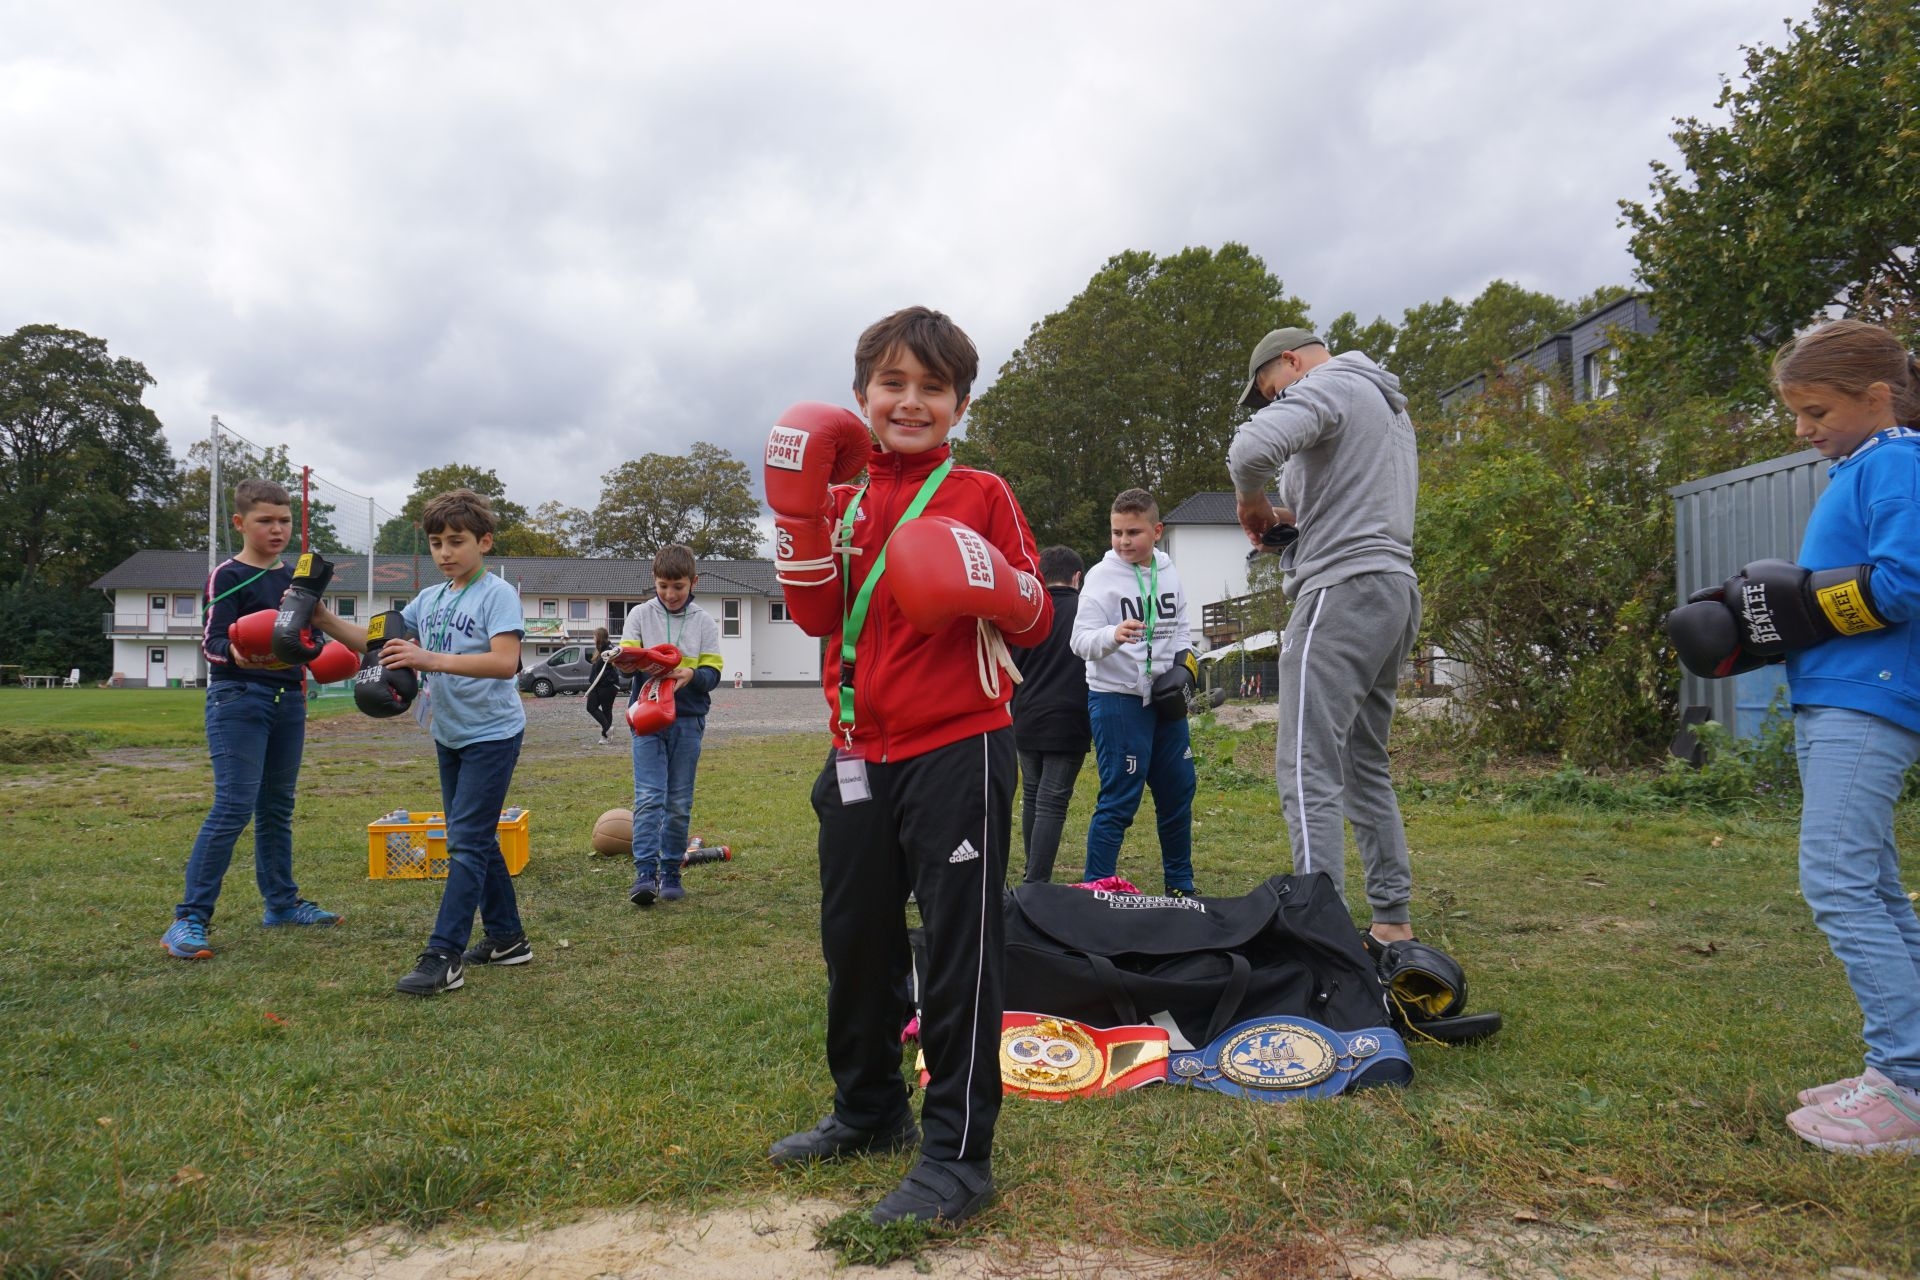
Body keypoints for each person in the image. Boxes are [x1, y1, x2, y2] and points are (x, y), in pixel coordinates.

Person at [762, 305, 1051, 1225]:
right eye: (893, 383)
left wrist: (989, 581)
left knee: (961, 952)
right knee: (856, 941)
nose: (912, 401)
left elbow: (1037, 617)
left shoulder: (983, 492)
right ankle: (869, 1109)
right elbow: (815, 618)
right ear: (862, 396)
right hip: (857, 750)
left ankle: (958, 1160)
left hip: (957, 746)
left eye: (934, 387)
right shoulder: (837, 498)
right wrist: (802, 522)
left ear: (960, 403)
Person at [1764, 320, 1920, 1154]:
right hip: (1838, 697)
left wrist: (1795, 604)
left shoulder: (1898, 461)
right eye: (1797, 413)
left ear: (1878, 396)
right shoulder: (1865, 466)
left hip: (1868, 700)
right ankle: (1910, 1071)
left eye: (1817, 411)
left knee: (1837, 880)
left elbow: (1903, 586)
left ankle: (1906, 1083)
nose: (1803, 428)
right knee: (1876, 889)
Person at [1227, 326, 1421, 948]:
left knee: (1305, 761)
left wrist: (1251, 501)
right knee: (1362, 762)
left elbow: (1248, 452)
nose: (1275, 404)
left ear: (1291, 361)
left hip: (1341, 593)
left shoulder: (1330, 382)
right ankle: (1391, 922)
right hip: (1392, 588)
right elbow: (1351, 503)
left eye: (1271, 392)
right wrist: (1285, 521)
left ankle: (1322, 934)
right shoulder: (1385, 406)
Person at [314, 488, 530, 996]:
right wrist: (323, 619)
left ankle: (443, 955)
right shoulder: (429, 599)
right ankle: (508, 939)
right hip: (449, 732)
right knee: (473, 836)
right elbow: (377, 641)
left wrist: (428, 658)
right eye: (436, 543)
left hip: (492, 733)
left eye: (456, 541)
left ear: (484, 542)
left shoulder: (497, 594)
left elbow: (506, 662)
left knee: (466, 841)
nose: (445, 552)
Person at [162, 478, 343, 960]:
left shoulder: (298, 582)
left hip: (289, 699)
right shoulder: (226, 575)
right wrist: (238, 654)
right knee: (233, 806)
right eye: (266, 521)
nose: (277, 529)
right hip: (238, 698)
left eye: (284, 521)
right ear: (241, 523)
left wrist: (323, 652)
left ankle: (281, 905)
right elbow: (211, 643)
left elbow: (309, 639)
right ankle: (188, 919)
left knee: (277, 807)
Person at [1070, 490, 1198, 896]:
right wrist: (1113, 635)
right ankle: (1097, 889)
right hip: (1117, 699)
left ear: (1157, 531)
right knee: (1121, 797)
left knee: (1178, 790)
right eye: (1116, 532)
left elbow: (1181, 630)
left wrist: (1184, 669)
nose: (1123, 541)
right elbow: (1079, 641)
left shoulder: (1169, 571)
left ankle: (1181, 885)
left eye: (1133, 532)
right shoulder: (1101, 577)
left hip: (1165, 701)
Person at [618, 544, 723, 906]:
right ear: (654, 581)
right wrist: (629, 663)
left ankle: (671, 872)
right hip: (646, 719)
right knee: (649, 797)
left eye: (678, 586)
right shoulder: (639, 615)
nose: (670, 594)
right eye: (663, 586)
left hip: (688, 720)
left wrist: (691, 674)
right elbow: (626, 661)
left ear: (694, 582)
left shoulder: (704, 622)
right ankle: (645, 874)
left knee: (678, 801)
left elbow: (712, 674)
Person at [1010, 546, 1092, 884]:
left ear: (1040, 575)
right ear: (1077, 577)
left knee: (1032, 795)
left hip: (1025, 716)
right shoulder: (1086, 611)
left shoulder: (1025, 612)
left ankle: (1033, 873)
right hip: (1069, 718)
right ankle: (1036, 882)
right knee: (1052, 802)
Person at [584, 625, 619, 744]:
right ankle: (608, 729)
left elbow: (615, 660)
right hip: (597, 684)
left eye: (594, 636)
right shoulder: (599, 650)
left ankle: (605, 736)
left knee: (606, 709)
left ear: (599, 637)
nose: (593, 638)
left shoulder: (610, 649)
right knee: (591, 707)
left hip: (608, 685)